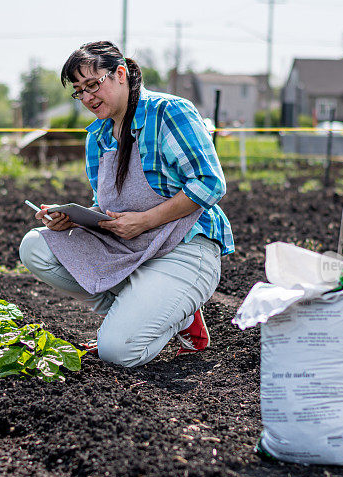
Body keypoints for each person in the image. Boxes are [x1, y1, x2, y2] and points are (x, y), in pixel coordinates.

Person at [19, 41, 233, 367]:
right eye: (79, 91)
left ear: (120, 74)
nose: (88, 97)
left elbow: (210, 183)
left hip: (185, 248)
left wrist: (145, 221)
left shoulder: (167, 112)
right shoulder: (98, 137)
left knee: (117, 352)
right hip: (130, 248)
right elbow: (106, 206)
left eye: (93, 85)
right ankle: (139, 310)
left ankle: (174, 316)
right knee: (36, 246)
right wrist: (75, 218)